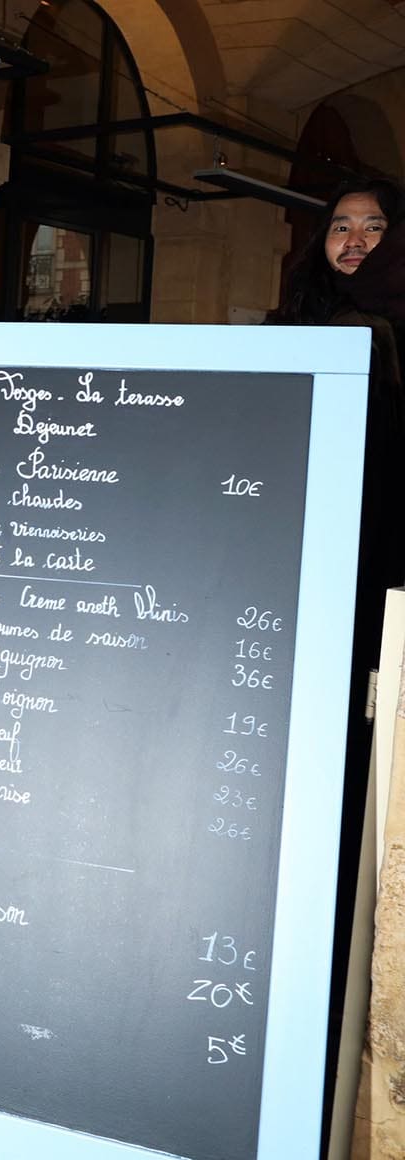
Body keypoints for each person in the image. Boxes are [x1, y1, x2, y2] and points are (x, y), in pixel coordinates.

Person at [274, 176, 405, 1134]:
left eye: (373, 228)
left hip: (382, 583)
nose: (352, 242)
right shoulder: (299, 320)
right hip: (298, 575)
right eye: (339, 227)